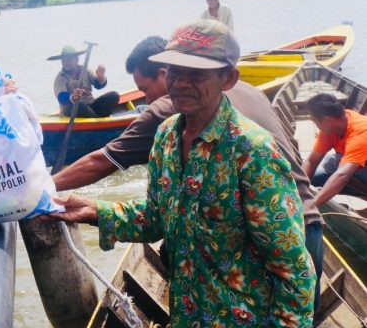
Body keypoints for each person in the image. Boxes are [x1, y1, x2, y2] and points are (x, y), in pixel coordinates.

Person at [45, 20, 316, 326]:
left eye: (196, 74)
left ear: (228, 79)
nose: (181, 83)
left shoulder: (252, 152)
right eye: (174, 71)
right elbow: (157, 219)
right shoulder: (166, 137)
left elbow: (295, 273)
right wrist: (95, 210)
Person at [302, 93, 367, 206]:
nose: (315, 125)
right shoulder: (330, 128)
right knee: (315, 178)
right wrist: (299, 186)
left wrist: (312, 204)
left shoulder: (361, 132)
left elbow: (343, 175)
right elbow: (311, 162)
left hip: (355, 171)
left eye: (315, 121)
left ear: (326, 120)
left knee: (333, 163)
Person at [50, 45, 120, 118]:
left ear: (76, 59)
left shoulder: (84, 69)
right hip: (72, 110)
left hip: (90, 105)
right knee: (80, 107)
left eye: (69, 60)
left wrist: (101, 77)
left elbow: (98, 85)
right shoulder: (60, 78)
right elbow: (62, 98)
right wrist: (73, 97)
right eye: (64, 60)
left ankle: (95, 117)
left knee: (114, 95)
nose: (66, 63)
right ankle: (98, 120)